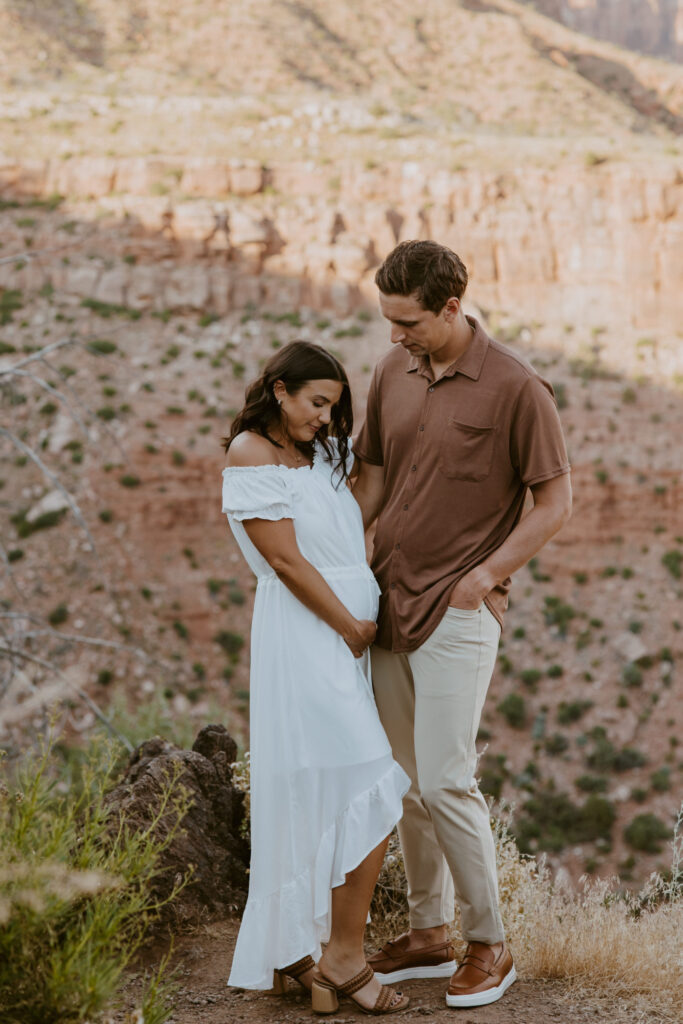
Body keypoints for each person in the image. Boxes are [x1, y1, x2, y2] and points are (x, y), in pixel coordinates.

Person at [352, 240, 572, 1009]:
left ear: (450, 307)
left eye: (406, 322)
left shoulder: (516, 388)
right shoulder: (389, 372)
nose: (393, 336)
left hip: (459, 609)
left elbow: (554, 503)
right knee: (405, 784)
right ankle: (427, 934)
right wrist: (339, 567)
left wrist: (481, 579)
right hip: (384, 603)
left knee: (446, 780)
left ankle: (490, 945)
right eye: (386, 320)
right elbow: (371, 477)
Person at [221, 340, 411, 1016]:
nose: (325, 419)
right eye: (316, 403)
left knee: (325, 783)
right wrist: (349, 626)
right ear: (279, 390)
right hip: (309, 636)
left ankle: (294, 953)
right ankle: (343, 959)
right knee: (372, 778)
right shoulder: (250, 452)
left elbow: (365, 500)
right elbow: (287, 562)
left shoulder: (321, 454)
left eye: (334, 407)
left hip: (337, 638)